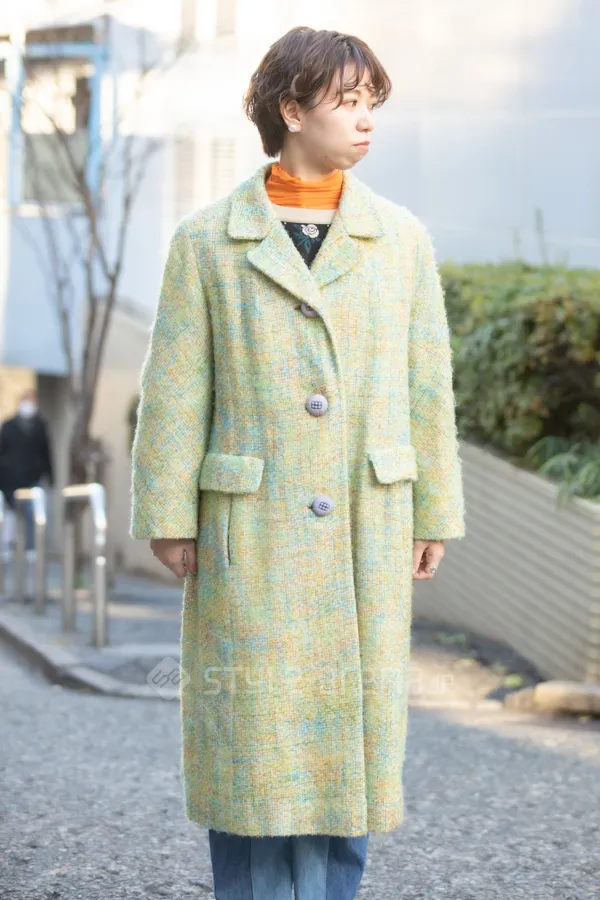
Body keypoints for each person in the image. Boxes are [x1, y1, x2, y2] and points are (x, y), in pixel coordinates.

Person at [130, 25, 466, 900]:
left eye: (371, 103)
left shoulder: (400, 239)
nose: (366, 120)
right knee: (255, 745)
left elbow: (427, 385)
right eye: (347, 102)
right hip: (252, 535)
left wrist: (435, 509)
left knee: (348, 743)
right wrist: (168, 514)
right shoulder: (209, 242)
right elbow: (176, 389)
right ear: (291, 109)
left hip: (366, 522)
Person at [0, 388, 54, 563]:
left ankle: (31, 547)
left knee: (32, 512)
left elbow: (46, 453)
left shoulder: (40, 426)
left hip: (33, 476)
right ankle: (8, 546)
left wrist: (50, 476)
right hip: (10, 477)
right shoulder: (8, 426)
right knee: (11, 511)